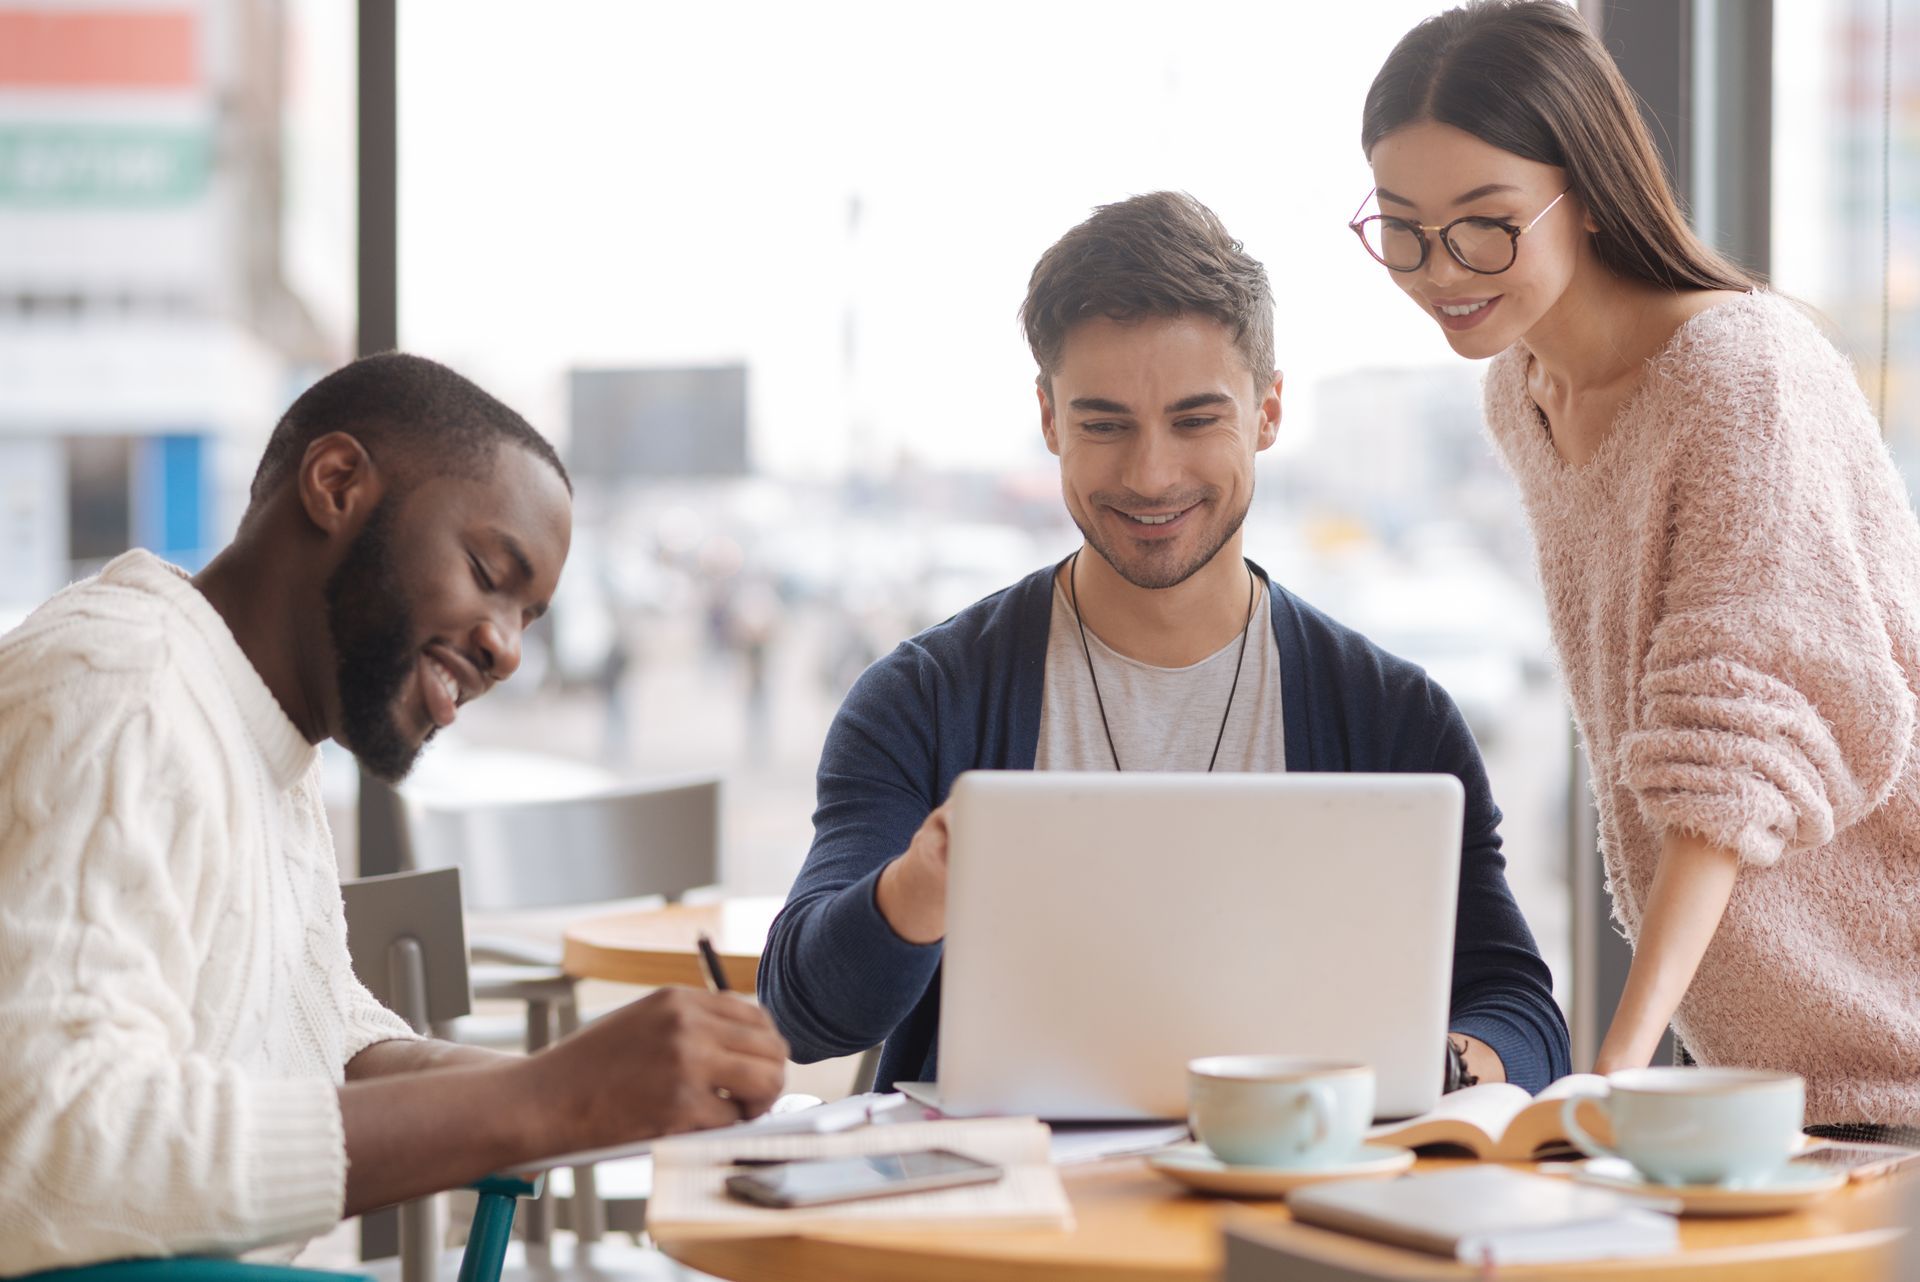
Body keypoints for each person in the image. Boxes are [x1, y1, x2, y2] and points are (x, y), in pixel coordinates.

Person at [758, 192, 1571, 1099]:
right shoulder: (924, 700)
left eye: (1195, 421)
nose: (1151, 475)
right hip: (1008, 1221)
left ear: (1267, 414)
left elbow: (1521, 1011)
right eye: (1104, 424)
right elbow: (799, 1011)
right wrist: (919, 887)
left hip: (1291, 1215)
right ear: (1049, 419)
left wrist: (1448, 1067)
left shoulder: (1392, 716)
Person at [0, 353, 787, 1273]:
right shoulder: (125, 690)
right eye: (490, 571)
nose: (507, 651)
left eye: (529, 617)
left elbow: (325, 1036)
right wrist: (543, 1102)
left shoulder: (260, 741)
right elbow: (48, 1144)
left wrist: (600, 1087)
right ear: (335, 484)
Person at [1357, 0, 1920, 1135]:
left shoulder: (1736, 371)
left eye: (1485, 223)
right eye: (1403, 228)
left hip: (1893, 1027)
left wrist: (1615, 1065)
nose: (1439, 270)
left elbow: (1732, 749)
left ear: (1588, 192)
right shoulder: (1522, 393)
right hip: (1761, 1069)